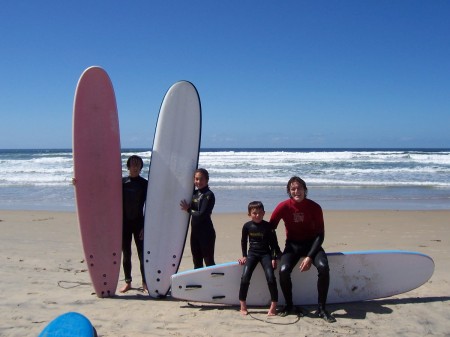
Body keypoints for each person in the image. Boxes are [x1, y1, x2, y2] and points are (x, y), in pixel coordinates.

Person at [270, 176, 336, 322]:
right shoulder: (283, 206)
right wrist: (275, 252)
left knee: (324, 267)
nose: (296, 191)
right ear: (289, 191)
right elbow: (270, 229)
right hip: (292, 246)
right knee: (283, 271)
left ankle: (321, 308)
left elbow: (320, 235)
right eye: (293, 189)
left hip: (312, 245)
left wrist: (309, 257)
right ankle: (289, 305)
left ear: (305, 190)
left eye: (299, 188)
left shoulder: (315, 207)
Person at [238, 201, 280, 316]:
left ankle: (274, 305)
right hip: (252, 254)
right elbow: (243, 241)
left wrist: (273, 257)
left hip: (265, 254)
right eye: (254, 213)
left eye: (260, 213)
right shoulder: (247, 226)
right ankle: (242, 304)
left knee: (271, 278)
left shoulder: (268, 226)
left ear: (264, 213)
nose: (257, 215)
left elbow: (274, 243)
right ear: (249, 214)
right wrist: (244, 256)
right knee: (245, 277)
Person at [120, 155, 148, 293]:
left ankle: (144, 283)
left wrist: (145, 226)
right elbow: (103, 190)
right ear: (128, 166)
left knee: (142, 254)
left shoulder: (145, 184)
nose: (135, 167)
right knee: (126, 254)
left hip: (139, 223)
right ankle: (128, 282)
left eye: (138, 164)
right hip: (124, 223)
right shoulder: (121, 182)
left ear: (141, 167)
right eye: (132, 164)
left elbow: (150, 206)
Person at [180, 168, 216, 269]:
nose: (198, 182)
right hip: (195, 233)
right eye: (196, 179)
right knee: (196, 262)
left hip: (206, 234)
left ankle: (214, 284)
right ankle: (200, 284)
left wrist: (188, 210)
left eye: (201, 179)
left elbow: (202, 214)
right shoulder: (194, 193)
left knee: (209, 262)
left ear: (207, 180)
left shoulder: (209, 195)